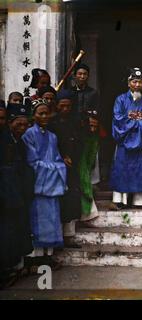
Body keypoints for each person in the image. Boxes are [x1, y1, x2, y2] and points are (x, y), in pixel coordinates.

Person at [22, 99, 66, 269]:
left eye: (46, 113)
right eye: (40, 113)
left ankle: (48, 256)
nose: (44, 116)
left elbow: (58, 159)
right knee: (37, 219)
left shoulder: (53, 137)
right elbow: (32, 162)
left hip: (51, 186)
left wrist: (58, 167)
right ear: (33, 116)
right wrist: (55, 169)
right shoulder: (28, 135)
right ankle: (35, 258)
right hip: (38, 185)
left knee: (52, 218)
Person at [110, 67, 142, 209]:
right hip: (125, 141)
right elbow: (118, 120)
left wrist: (139, 122)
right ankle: (119, 201)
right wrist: (138, 122)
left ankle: (140, 201)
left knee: (141, 169)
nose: (137, 85)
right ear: (128, 83)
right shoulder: (120, 100)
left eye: (140, 82)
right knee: (122, 169)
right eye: (134, 82)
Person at [0, 103, 34, 288]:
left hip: (16, 196)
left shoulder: (18, 141)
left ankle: (12, 267)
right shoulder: (5, 141)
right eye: (18, 125)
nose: (23, 129)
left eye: (25, 125)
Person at [48, 90, 83, 248]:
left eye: (68, 106)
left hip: (73, 165)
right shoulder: (51, 123)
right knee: (60, 201)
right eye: (62, 106)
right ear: (57, 106)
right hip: (57, 166)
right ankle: (58, 238)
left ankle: (69, 236)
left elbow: (80, 141)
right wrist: (61, 157)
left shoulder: (75, 121)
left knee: (72, 199)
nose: (65, 109)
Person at [71, 63, 103, 186]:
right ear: (75, 76)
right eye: (79, 74)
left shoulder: (93, 93)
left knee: (91, 155)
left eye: (85, 74)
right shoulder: (70, 92)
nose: (82, 76)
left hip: (89, 128)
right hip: (74, 129)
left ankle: (92, 183)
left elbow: (97, 111)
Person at [79, 109, 100, 225]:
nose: (92, 129)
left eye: (95, 127)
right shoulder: (81, 138)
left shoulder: (94, 137)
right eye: (90, 126)